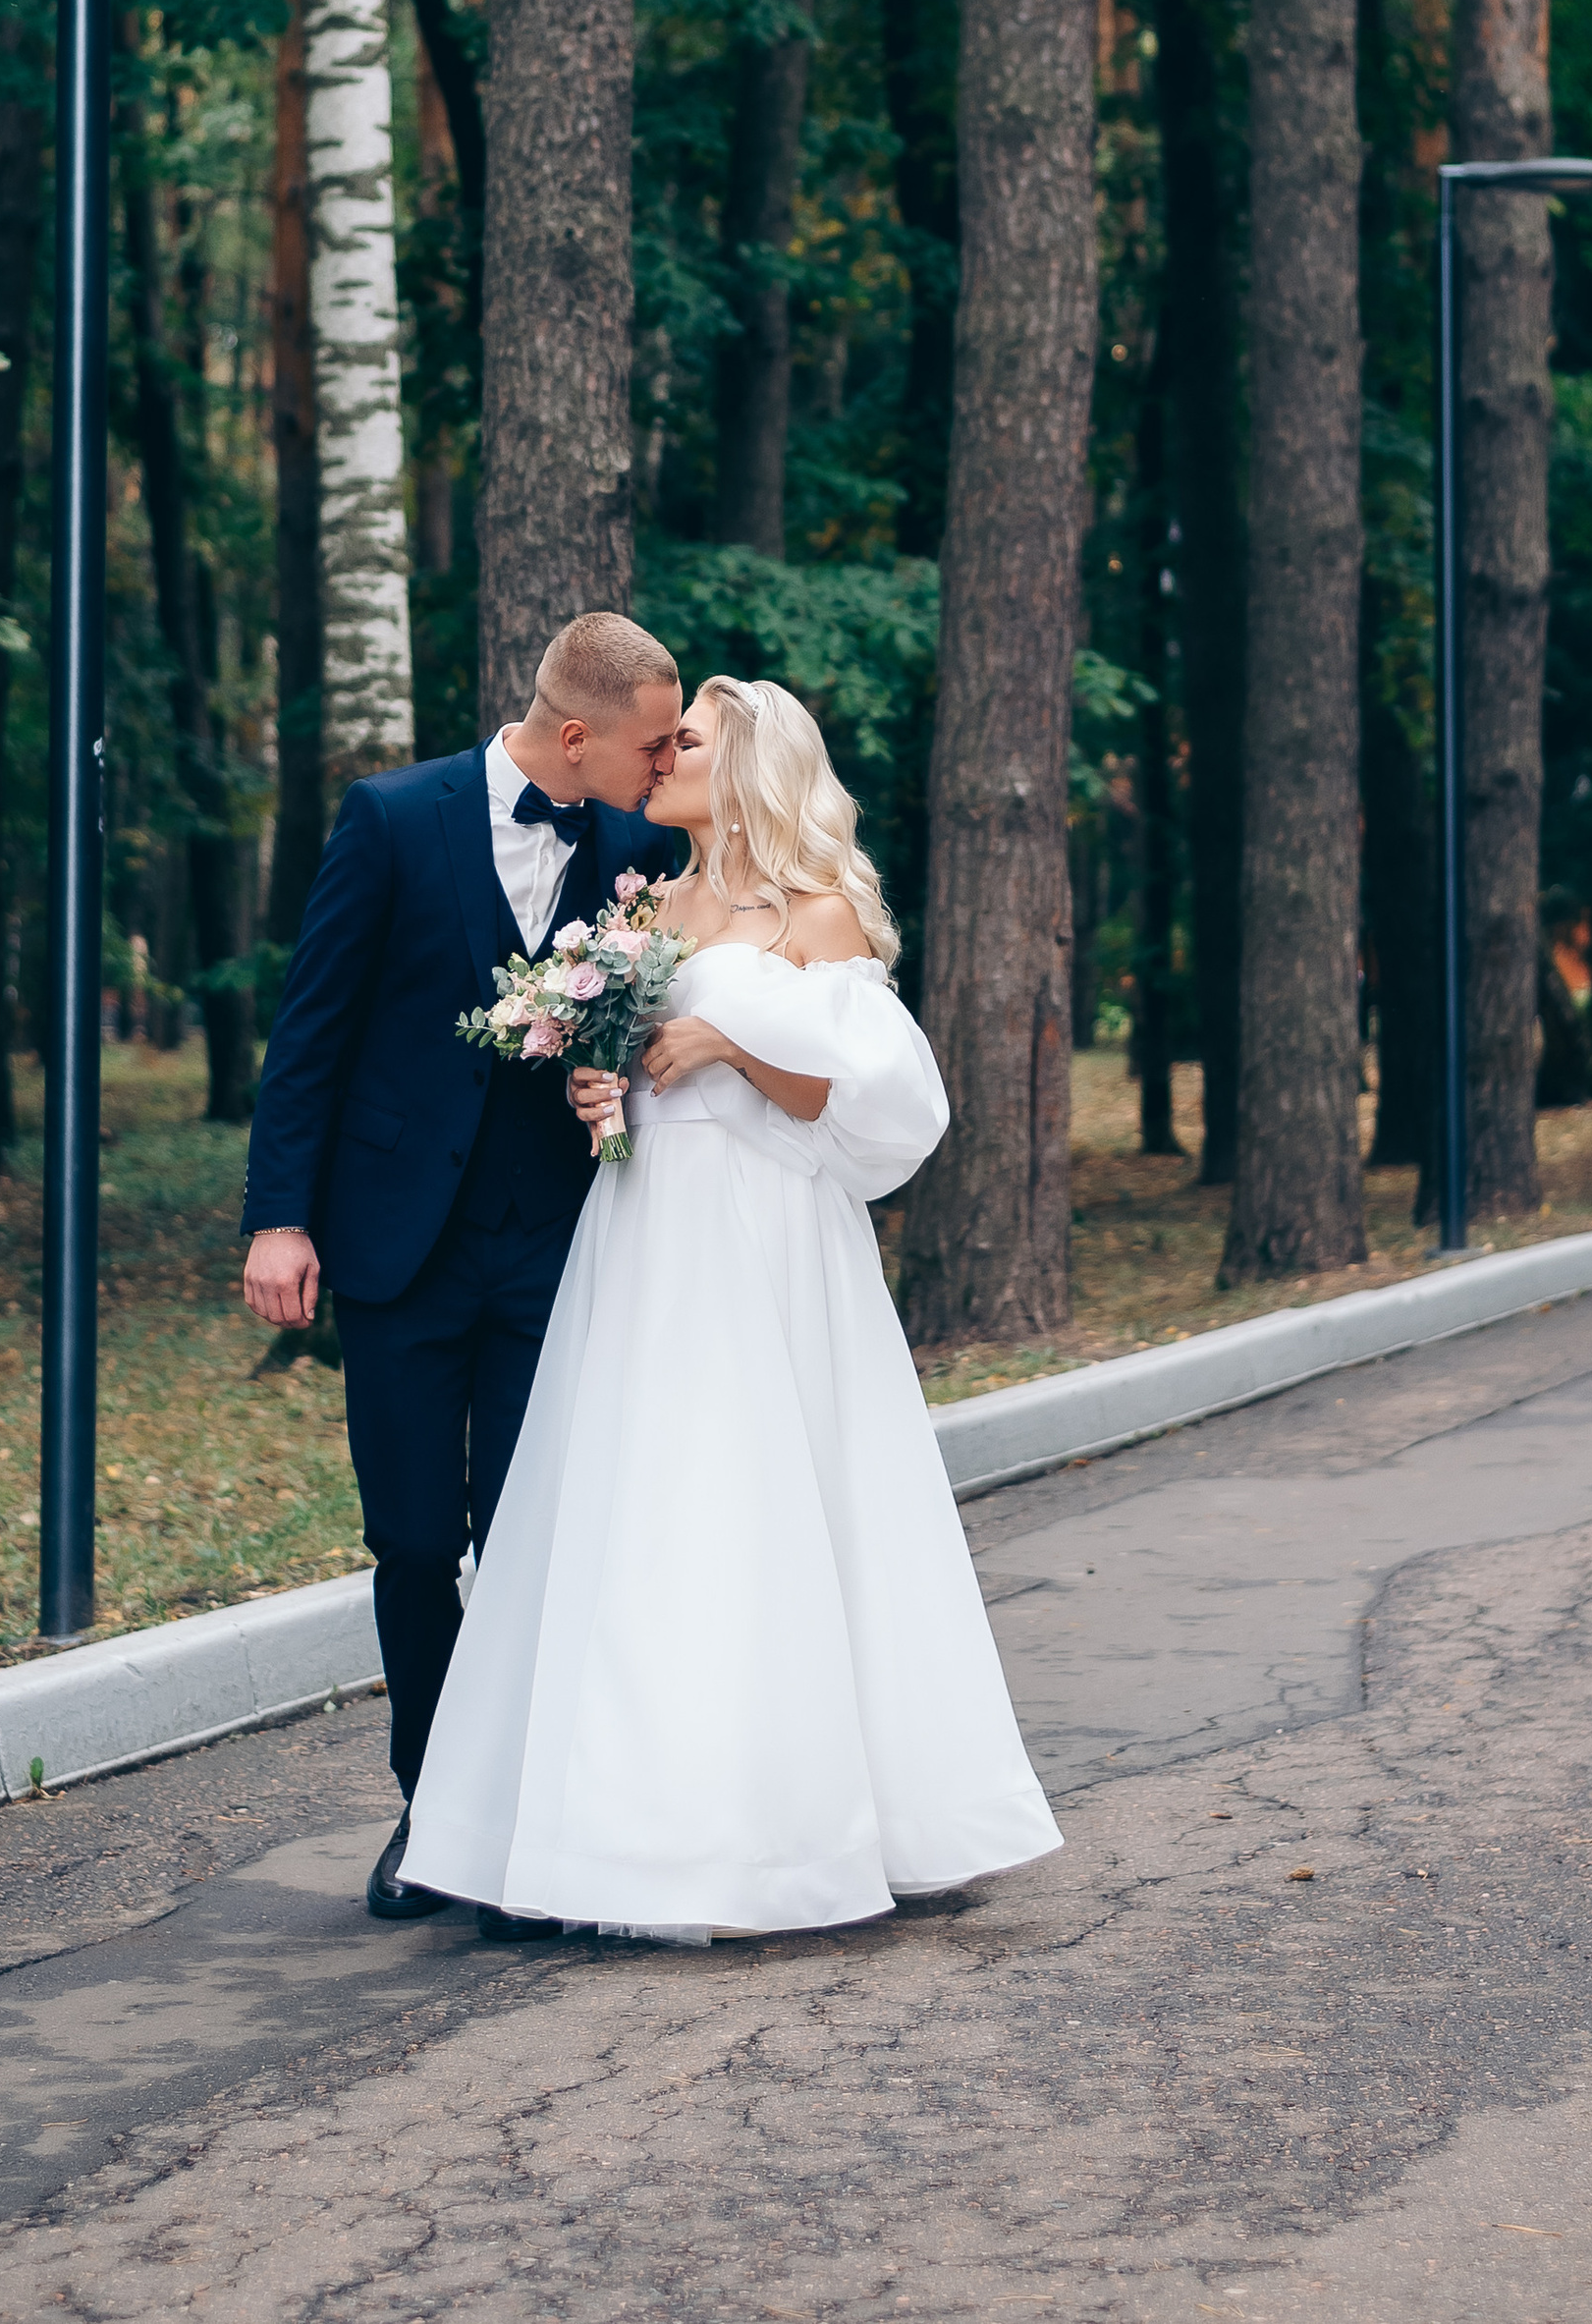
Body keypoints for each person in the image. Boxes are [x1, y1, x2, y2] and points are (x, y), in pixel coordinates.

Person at [404, 675, 1062, 1939]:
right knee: (645, 1510)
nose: (660, 758)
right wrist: (604, 1094)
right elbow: (630, 1066)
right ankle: (619, 1838)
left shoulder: (817, 919)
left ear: (750, 766)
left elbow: (861, 1103)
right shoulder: (648, 904)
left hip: (765, 1242)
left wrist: (727, 1050)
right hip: (646, 1232)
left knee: (768, 1505)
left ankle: (810, 1831)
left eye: (686, 742)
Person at [239, 612, 682, 1933]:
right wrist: (280, 1218)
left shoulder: (641, 849)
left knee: (531, 1538)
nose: (665, 767)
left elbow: (656, 1025)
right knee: (417, 1537)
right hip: (396, 1245)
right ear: (576, 735)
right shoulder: (390, 818)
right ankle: (433, 1808)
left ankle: (527, 1826)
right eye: (651, 744)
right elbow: (309, 1028)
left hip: (556, 1242)